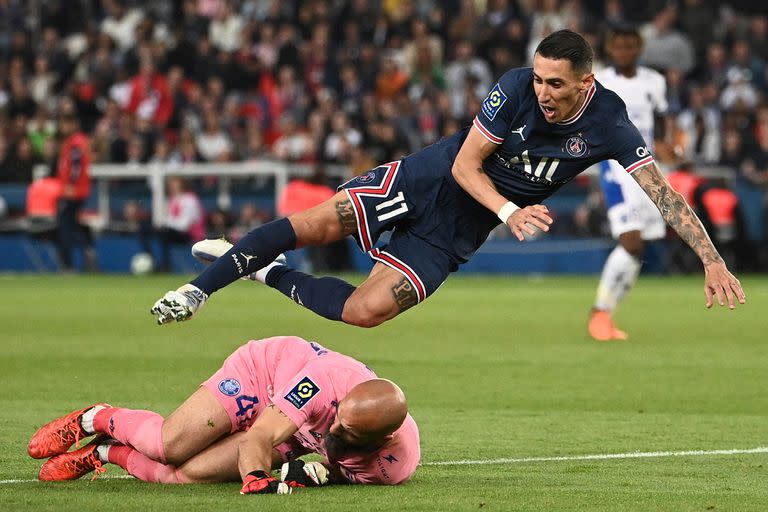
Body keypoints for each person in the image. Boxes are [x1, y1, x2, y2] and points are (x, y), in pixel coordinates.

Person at [150, 30, 745, 330]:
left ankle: (263, 270)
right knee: (312, 224)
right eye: (539, 79)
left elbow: (665, 196)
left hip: (461, 227)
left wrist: (711, 259)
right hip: (428, 179)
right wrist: (512, 212)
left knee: (365, 313)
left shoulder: (611, 123)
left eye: (555, 84)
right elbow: (466, 163)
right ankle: (198, 289)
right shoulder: (512, 89)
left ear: (585, 84)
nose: (542, 92)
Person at [28, 335, 420, 492]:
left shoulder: (392, 466)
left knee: (181, 476)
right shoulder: (323, 384)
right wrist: (255, 475)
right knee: (168, 446)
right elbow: (259, 438)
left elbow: (339, 470)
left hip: (293, 435)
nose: (334, 425)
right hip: (261, 377)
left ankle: (99, 453)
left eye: (347, 430)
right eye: (338, 416)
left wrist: (316, 473)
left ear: (382, 439)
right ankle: (94, 418)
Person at [588, 26, 675, 341]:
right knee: (631, 242)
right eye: (619, 47)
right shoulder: (601, 84)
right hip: (616, 168)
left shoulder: (655, 82)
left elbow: (663, 118)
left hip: (649, 169)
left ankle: (607, 314)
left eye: (630, 46)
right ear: (611, 49)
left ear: (638, 49)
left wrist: (667, 144)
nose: (624, 52)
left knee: (639, 248)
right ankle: (599, 313)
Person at [53, 113, 97, 272]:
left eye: (65, 123)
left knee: (65, 226)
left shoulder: (75, 143)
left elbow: (76, 165)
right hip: (78, 191)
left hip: (73, 191)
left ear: (72, 125)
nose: (62, 127)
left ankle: (68, 265)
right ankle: (88, 246)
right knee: (71, 224)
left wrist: (71, 184)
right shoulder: (77, 141)